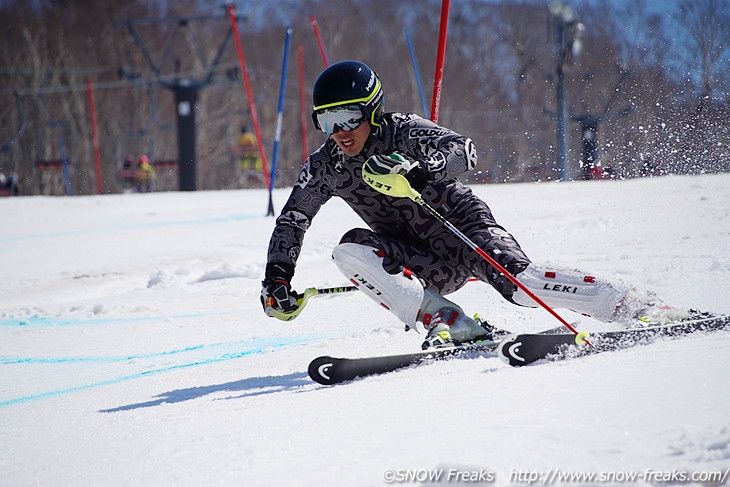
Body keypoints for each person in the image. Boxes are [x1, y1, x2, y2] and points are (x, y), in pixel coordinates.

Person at [260, 60, 693, 350]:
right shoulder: (325, 166)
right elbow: (293, 221)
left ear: (372, 111)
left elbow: (464, 150)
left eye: (348, 117)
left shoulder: (403, 131)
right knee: (348, 249)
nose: (339, 131)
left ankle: (634, 305)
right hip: (419, 259)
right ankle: (448, 320)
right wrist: (276, 280)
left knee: (522, 287)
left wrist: (420, 167)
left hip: (462, 228)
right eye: (326, 120)